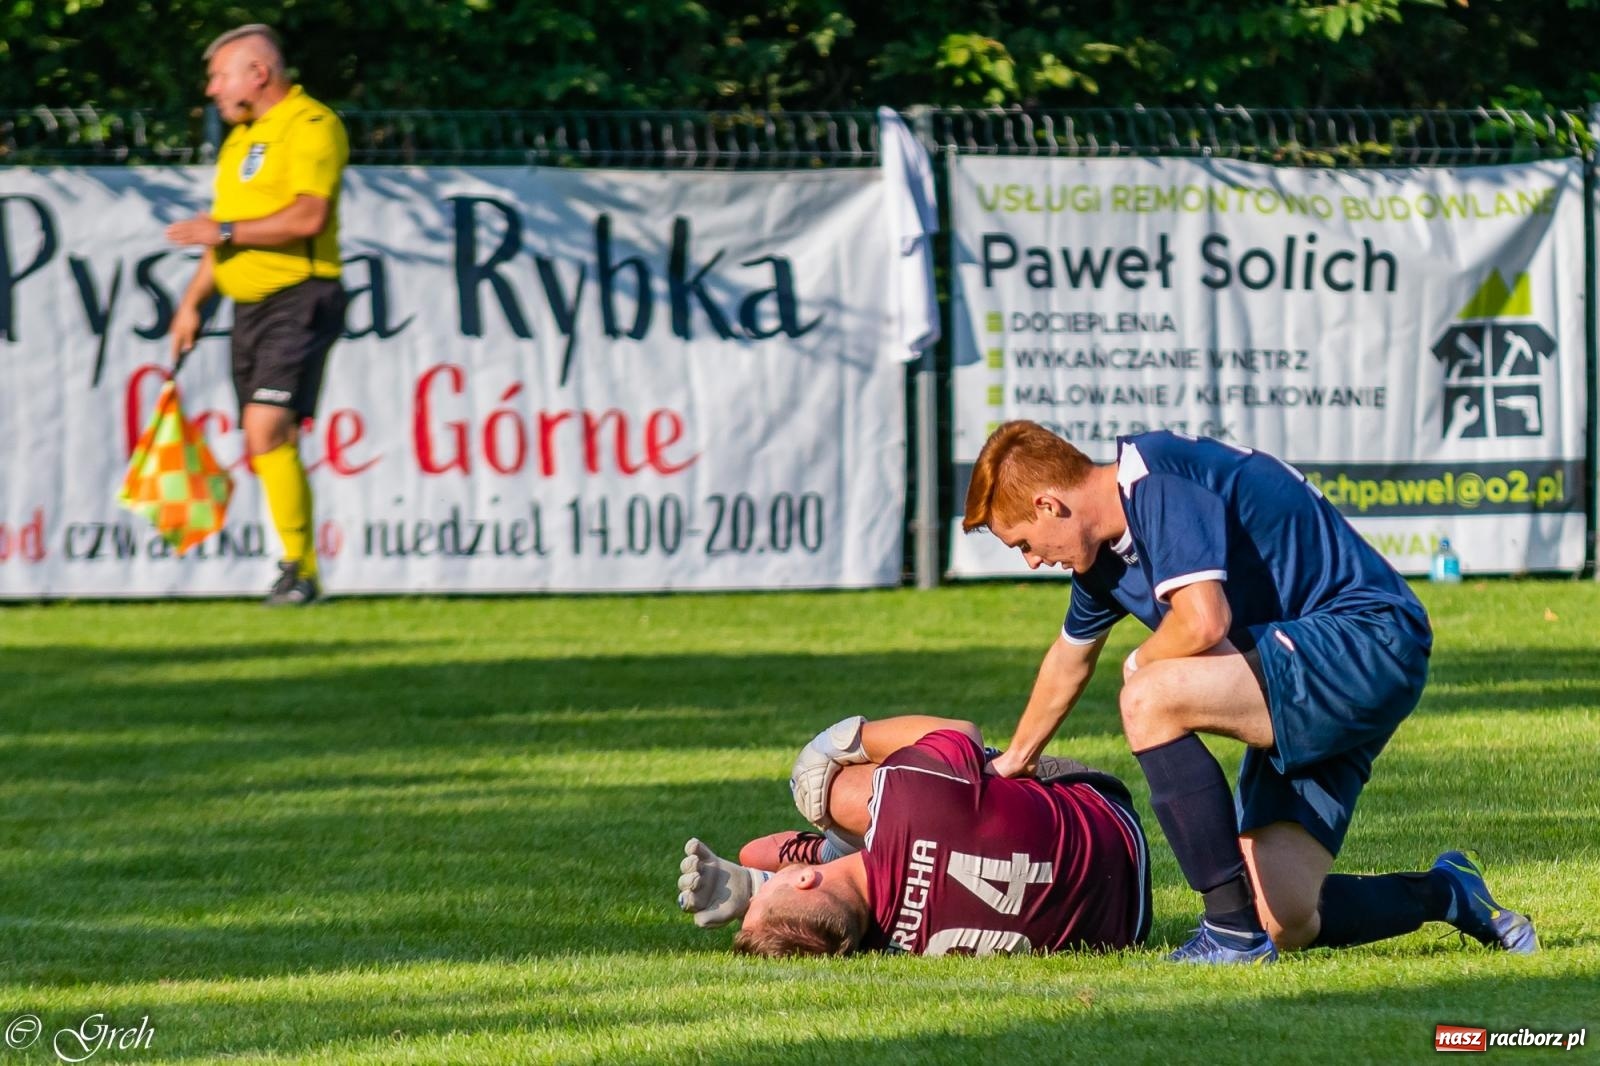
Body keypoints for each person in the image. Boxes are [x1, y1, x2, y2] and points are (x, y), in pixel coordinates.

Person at [963, 421, 1537, 963]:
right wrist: (1017, 759)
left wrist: (1140, 666)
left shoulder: (1155, 478)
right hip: (1299, 670)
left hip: (1368, 640)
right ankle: (1448, 894)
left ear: (1048, 504)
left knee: (1150, 694)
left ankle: (1228, 933)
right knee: (1286, 918)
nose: (1034, 560)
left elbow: (1203, 621)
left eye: (1023, 544)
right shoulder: (1103, 559)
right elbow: (1068, 661)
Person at [676, 714, 1151, 957]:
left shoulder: (887, 944)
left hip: (1124, 925)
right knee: (832, 786)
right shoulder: (910, 802)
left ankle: (834, 848)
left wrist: (757, 891)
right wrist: (836, 742)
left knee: (866, 806)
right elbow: (960, 730)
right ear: (804, 880)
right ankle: (835, 839)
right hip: (1108, 821)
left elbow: (757, 853)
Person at [165, 24, 349, 605]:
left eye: (220, 75)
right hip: (248, 306)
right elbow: (226, 241)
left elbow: (307, 218)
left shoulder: (312, 125)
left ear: (258, 74)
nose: (212, 89)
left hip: (301, 295)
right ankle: (294, 566)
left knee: (268, 425)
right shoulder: (240, 140)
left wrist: (221, 229)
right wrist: (193, 304)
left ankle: (302, 571)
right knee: (262, 435)